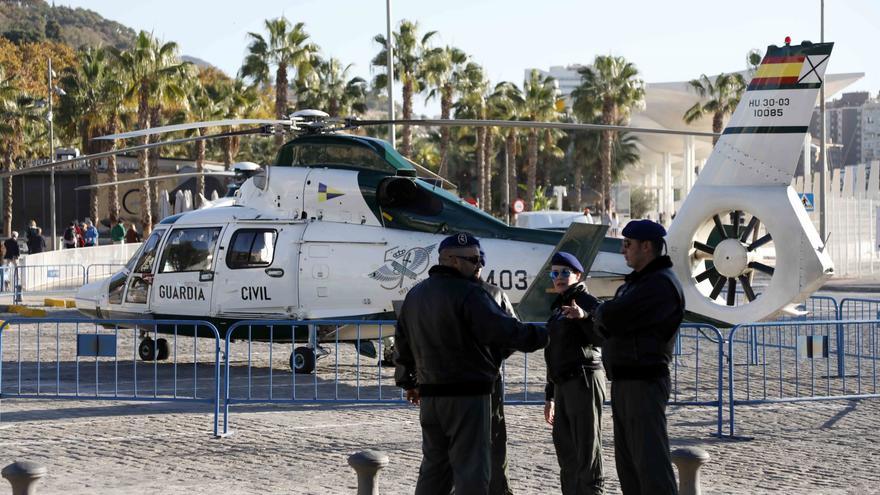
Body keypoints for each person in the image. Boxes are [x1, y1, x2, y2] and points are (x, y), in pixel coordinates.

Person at [394, 232, 549, 494]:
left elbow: (402, 343)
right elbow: (504, 332)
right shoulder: (470, 294)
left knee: (434, 470)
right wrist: (547, 333)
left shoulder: (415, 295)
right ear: (453, 261)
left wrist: (407, 381)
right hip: (467, 397)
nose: (480, 265)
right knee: (472, 471)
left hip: (431, 399)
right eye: (474, 259)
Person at [565, 219, 684, 495]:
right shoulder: (638, 283)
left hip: (644, 382)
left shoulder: (659, 284)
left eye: (627, 244)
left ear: (647, 246)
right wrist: (600, 314)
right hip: (626, 382)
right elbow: (606, 324)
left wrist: (590, 303)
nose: (623, 250)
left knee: (650, 465)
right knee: (630, 466)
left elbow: (613, 317)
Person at [543, 251, 606, 494]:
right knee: (566, 451)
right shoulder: (558, 306)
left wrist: (584, 317)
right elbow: (552, 353)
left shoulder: (585, 299)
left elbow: (602, 335)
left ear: (578, 275)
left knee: (587, 449)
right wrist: (550, 395)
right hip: (562, 385)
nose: (558, 277)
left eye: (564, 273)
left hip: (584, 380)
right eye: (554, 273)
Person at [475, 249, 518, 495]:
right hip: (486, 377)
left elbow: (513, 332)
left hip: (480, 378)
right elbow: (514, 334)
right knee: (493, 436)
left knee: (492, 435)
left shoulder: (494, 294)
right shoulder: (491, 294)